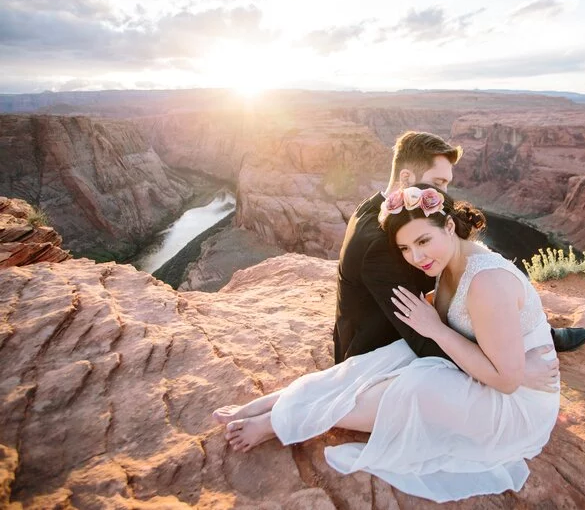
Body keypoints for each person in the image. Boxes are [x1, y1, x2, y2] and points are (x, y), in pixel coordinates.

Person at [214, 186, 560, 502]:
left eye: (423, 241)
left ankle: (281, 420)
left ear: (450, 227)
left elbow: (508, 379)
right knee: (389, 357)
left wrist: (436, 329)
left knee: (418, 386)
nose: (416, 257)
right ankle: (278, 402)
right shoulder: (449, 260)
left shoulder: (487, 282)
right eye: (405, 248)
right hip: (500, 371)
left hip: (514, 405)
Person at [333, 131, 585, 365]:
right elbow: (420, 339)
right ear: (406, 179)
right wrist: (509, 368)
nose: (444, 194)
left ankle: (532, 329)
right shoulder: (379, 242)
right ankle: (530, 337)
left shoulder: (374, 206)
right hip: (378, 350)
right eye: (438, 182)